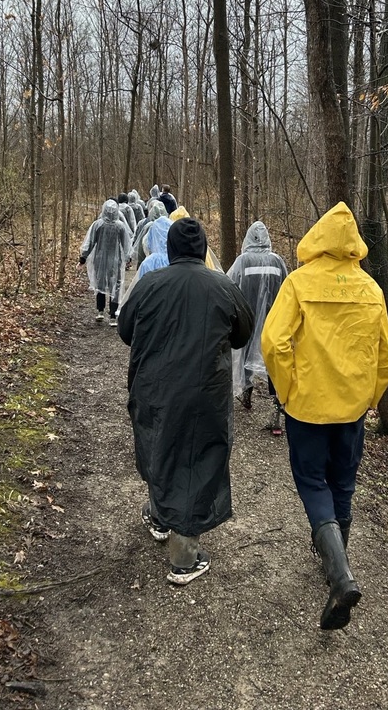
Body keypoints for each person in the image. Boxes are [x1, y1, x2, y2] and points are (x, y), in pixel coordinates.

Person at [261, 201, 388, 630]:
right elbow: (387, 358)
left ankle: (339, 574)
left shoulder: (300, 283)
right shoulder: (371, 289)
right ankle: (337, 565)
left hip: (307, 408)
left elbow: (273, 343)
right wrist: (368, 398)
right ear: (353, 245)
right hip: (351, 409)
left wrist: (288, 390)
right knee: (343, 481)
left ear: (317, 239)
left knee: (312, 482)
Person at [118, 218, 254, 585]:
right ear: (202, 249)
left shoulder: (149, 284)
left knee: (158, 447)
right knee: (197, 460)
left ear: (172, 248)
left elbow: (125, 330)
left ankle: (164, 521)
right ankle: (182, 553)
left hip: (153, 388)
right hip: (203, 394)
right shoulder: (222, 286)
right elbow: (243, 333)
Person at [226, 221, 288, 430]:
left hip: (247, 319)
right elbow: (288, 288)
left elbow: (229, 285)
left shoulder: (243, 261)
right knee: (273, 361)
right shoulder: (277, 262)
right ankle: (277, 405)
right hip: (275, 321)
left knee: (244, 354)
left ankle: (247, 393)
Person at [79, 199, 131, 326]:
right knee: (116, 286)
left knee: (100, 284)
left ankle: (100, 311)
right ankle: (113, 315)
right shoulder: (120, 226)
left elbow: (90, 242)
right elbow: (126, 245)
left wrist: (83, 257)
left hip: (100, 259)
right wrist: (128, 257)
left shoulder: (98, 224)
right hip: (115, 260)